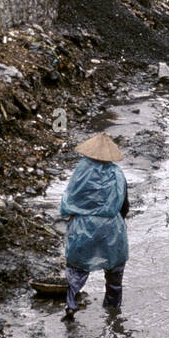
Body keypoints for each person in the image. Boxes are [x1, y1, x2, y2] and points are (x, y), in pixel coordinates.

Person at [60, 132, 130, 321]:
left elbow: (69, 199)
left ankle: (71, 305)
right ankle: (113, 313)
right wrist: (118, 222)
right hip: (110, 228)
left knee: (77, 269)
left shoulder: (80, 171)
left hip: (83, 227)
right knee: (114, 271)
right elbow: (124, 206)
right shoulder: (117, 174)